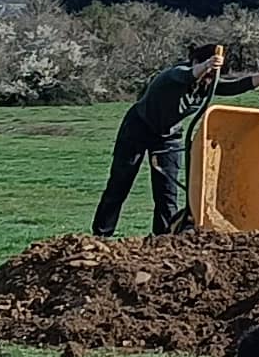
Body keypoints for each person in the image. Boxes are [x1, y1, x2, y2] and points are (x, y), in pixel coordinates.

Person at [91, 46, 217, 238]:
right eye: (207, 68)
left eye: (215, 72)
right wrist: (208, 64)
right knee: (120, 182)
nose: (209, 75)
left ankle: (164, 238)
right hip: (138, 128)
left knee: (167, 191)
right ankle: (101, 234)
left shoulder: (207, 85)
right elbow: (186, 76)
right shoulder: (175, 74)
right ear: (195, 61)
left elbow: (237, 85)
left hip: (169, 136)